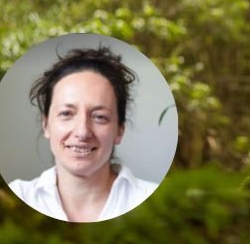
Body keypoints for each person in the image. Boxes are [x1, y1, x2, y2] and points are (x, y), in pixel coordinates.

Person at [8, 47, 158, 222]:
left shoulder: (157, 203)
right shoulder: (14, 199)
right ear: (46, 124)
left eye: (100, 117)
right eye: (66, 113)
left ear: (119, 130)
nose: (83, 132)